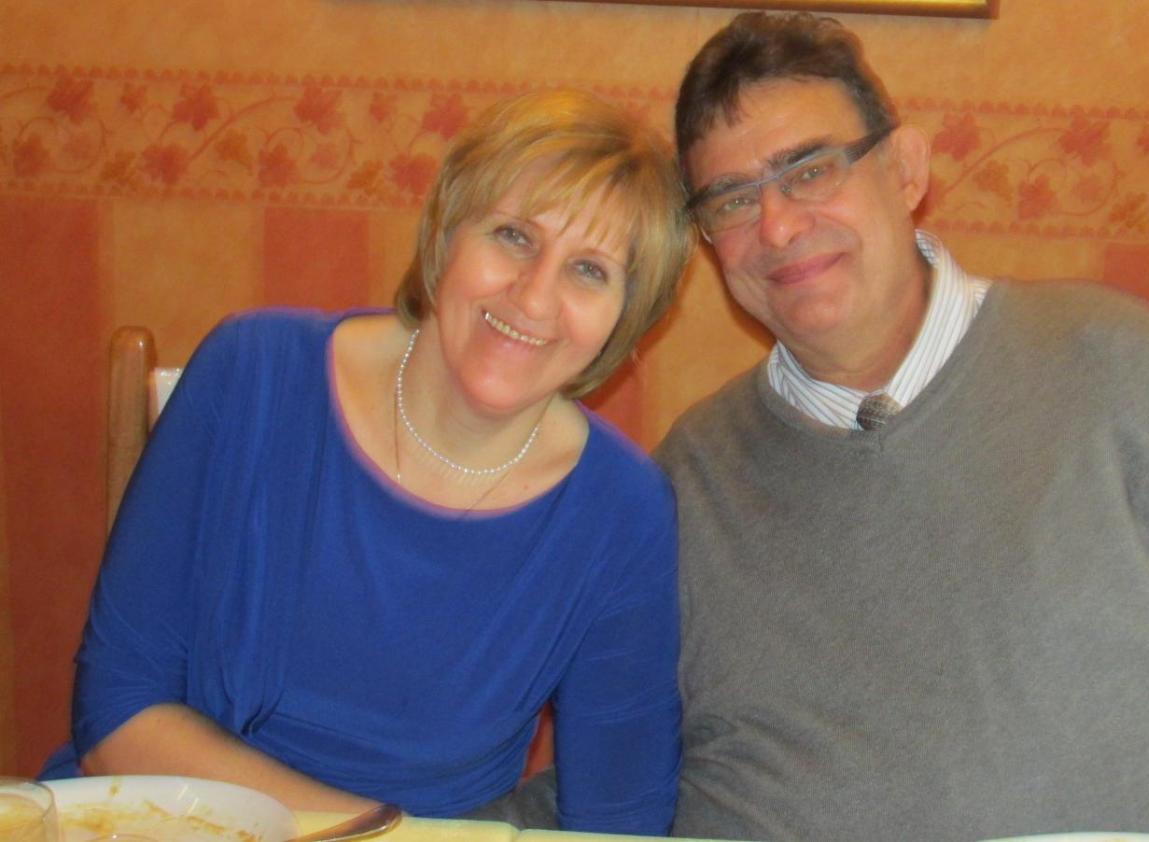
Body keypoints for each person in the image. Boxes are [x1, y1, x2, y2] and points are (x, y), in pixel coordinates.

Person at [486, 14, 1149, 841]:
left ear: (906, 171)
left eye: (811, 170)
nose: (778, 225)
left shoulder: (1132, 373)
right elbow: (611, 777)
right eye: (730, 200)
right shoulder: (685, 484)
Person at [46, 89, 693, 833]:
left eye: (590, 270)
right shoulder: (253, 372)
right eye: (513, 236)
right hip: (159, 820)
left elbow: (619, 819)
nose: (535, 296)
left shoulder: (621, 512)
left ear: (625, 319)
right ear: (446, 233)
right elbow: (115, 710)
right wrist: (376, 833)